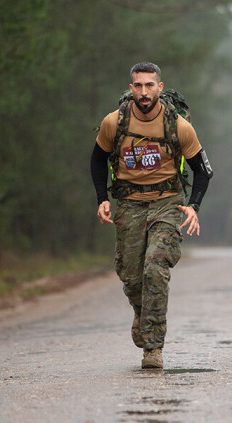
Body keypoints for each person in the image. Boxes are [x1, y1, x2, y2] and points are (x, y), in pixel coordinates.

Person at [90, 62, 213, 369]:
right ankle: (142, 313)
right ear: (130, 89)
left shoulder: (178, 126)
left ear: (159, 87)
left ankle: (153, 349)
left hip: (167, 204)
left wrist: (193, 206)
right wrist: (102, 199)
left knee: (155, 269)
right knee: (131, 277)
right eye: (137, 86)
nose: (143, 92)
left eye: (149, 85)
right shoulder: (114, 123)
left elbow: (203, 171)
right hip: (129, 204)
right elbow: (97, 159)